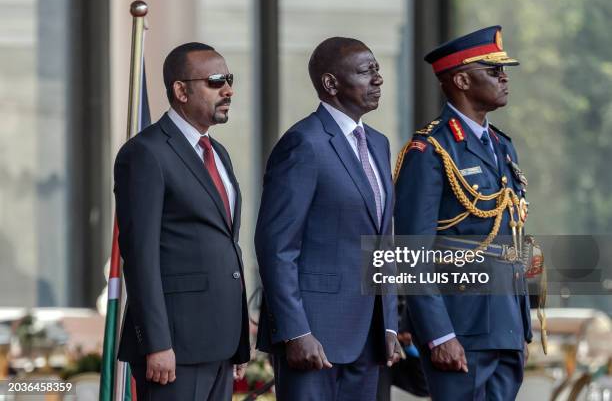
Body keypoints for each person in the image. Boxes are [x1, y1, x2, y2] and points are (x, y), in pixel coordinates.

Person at [255, 37, 401, 401]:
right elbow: (276, 246)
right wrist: (295, 332)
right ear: (331, 84)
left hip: (369, 337)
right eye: (367, 72)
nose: (378, 79)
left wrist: (390, 324)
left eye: (378, 70)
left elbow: (383, 241)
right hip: (314, 338)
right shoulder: (304, 143)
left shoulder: (379, 144)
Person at [394, 26, 532, 400]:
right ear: (461, 80)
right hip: (460, 330)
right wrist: (439, 334)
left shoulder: (502, 146)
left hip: (505, 326)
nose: (504, 78)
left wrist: (522, 323)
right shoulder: (430, 151)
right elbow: (410, 253)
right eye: (493, 71)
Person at [114, 42, 250, 400]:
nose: (228, 90)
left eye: (230, 79)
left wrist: (238, 341)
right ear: (181, 90)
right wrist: (157, 343)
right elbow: (140, 256)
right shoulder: (145, 153)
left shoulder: (217, 152)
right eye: (216, 81)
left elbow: (223, 244)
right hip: (174, 350)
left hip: (220, 346)